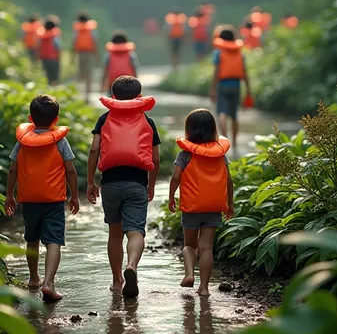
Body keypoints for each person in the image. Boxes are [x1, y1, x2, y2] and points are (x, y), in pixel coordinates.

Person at [86, 76, 161, 298]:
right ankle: (132, 266)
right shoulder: (146, 120)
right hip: (136, 183)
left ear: (114, 97)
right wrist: (152, 185)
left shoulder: (104, 118)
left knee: (115, 234)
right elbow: (155, 159)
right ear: (139, 97)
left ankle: (117, 280)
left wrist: (90, 182)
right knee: (135, 231)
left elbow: (94, 150)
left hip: (110, 183)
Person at [4, 94, 79, 303]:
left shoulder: (22, 142)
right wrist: (73, 195)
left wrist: (9, 195)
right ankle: (49, 282)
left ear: (30, 118)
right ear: (55, 120)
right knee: (54, 240)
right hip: (54, 200)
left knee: (31, 238)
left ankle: (33, 278)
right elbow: (71, 171)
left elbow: (13, 170)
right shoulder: (61, 142)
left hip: (28, 200)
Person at [168, 108, 233, 297]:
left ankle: (189, 274)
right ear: (213, 129)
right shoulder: (220, 153)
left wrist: (171, 196)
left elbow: (176, 177)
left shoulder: (185, 155)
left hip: (191, 208)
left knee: (190, 245)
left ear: (189, 130)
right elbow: (229, 180)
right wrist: (230, 204)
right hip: (213, 207)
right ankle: (204, 288)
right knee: (206, 248)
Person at [210, 28, 251, 152]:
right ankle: (235, 142)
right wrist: (248, 90)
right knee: (234, 115)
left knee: (222, 113)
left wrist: (212, 89)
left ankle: (224, 140)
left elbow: (216, 72)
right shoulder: (240, 53)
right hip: (236, 85)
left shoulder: (218, 52)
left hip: (222, 84)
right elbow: (245, 72)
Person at [72, 13, 99, 101]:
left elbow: (74, 42)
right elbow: (94, 42)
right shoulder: (91, 29)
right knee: (88, 74)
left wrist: (72, 55)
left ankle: (78, 93)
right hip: (89, 53)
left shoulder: (77, 29)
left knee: (80, 73)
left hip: (79, 53)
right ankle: (87, 95)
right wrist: (96, 55)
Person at [39, 16, 62, 86]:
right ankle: (54, 92)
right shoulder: (54, 36)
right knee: (54, 78)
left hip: (44, 59)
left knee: (47, 76)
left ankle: (47, 91)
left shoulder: (42, 36)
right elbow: (58, 47)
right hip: (53, 59)